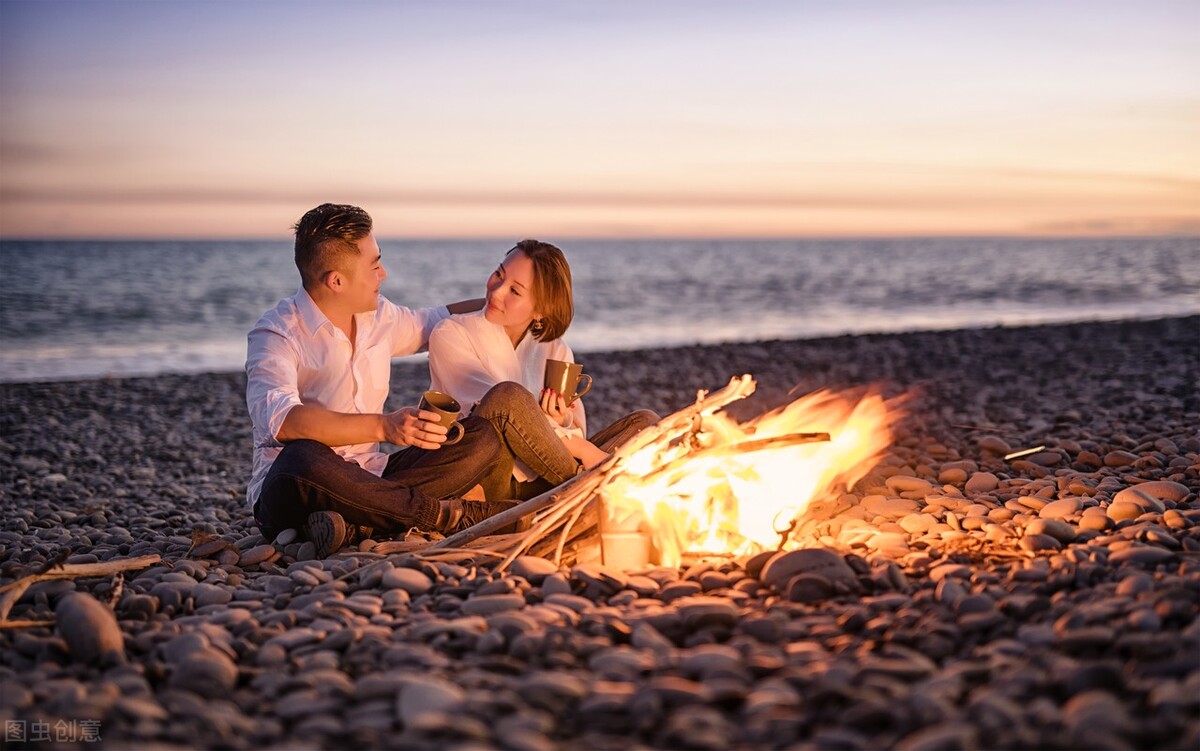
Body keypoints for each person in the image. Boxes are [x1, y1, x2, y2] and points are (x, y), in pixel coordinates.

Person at [245, 203, 514, 557]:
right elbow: (282, 421)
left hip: (374, 477)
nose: (383, 274)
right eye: (374, 266)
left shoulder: (378, 316)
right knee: (303, 457)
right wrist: (385, 428)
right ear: (336, 281)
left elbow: (437, 319)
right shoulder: (276, 333)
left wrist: (508, 301)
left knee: (481, 438)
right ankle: (438, 514)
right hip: (296, 488)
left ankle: (358, 523)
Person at [428, 239, 659, 501]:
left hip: (549, 477)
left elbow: (577, 427)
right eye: (499, 274)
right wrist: (583, 449)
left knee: (645, 423)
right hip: (490, 479)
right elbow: (494, 408)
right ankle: (594, 489)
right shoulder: (451, 333)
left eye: (515, 291)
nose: (496, 291)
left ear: (540, 310)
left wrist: (563, 421)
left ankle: (584, 489)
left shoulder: (555, 350)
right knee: (508, 397)